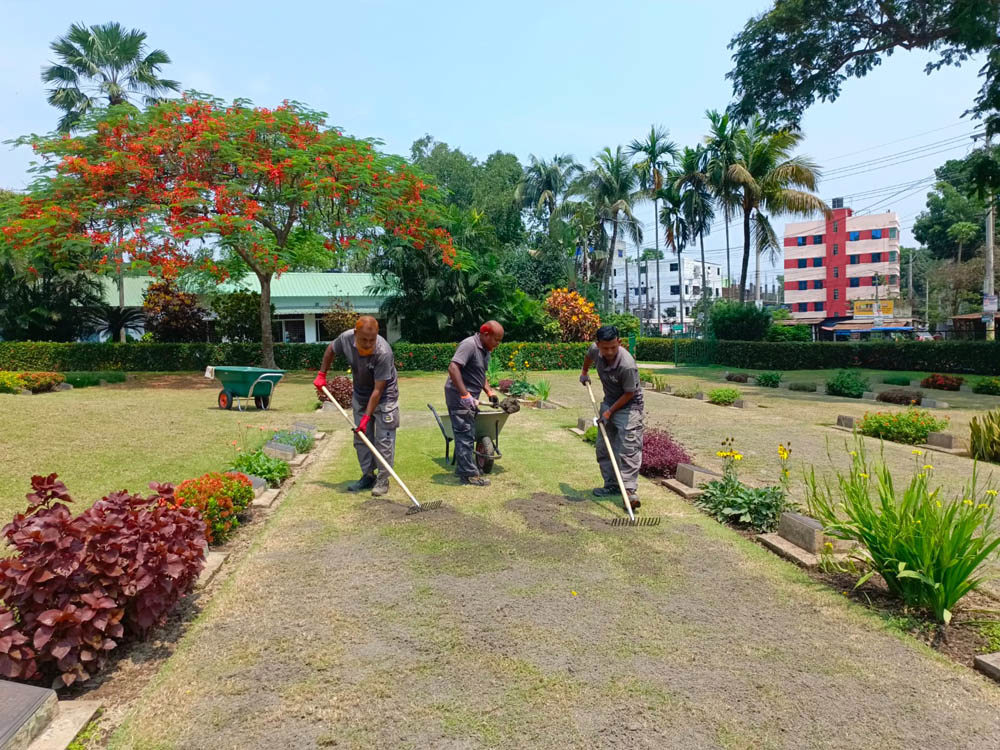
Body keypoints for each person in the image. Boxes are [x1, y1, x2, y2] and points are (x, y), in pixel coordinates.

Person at [313, 316, 399, 497]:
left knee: (383, 441)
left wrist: (367, 417)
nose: (368, 343)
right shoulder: (345, 338)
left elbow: (378, 390)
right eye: (364, 339)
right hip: (360, 394)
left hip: (384, 397)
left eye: (372, 339)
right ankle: (368, 476)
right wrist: (322, 374)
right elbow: (330, 350)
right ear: (355, 333)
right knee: (361, 438)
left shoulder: (383, 352)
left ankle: (383, 480)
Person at [579, 325, 644, 510]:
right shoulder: (595, 349)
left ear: (620, 343)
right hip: (609, 402)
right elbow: (589, 356)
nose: (609, 352)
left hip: (630, 407)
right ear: (598, 344)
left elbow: (629, 393)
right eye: (605, 348)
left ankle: (630, 493)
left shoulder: (627, 364)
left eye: (613, 347)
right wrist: (584, 373)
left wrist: (609, 412)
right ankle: (612, 486)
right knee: (604, 447)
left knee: (628, 449)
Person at [445, 321, 503, 487]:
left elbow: (480, 373)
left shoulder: (485, 350)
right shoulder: (469, 345)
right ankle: (469, 475)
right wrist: (465, 395)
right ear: (485, 334)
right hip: (458, 396)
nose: (498, 344)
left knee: (467, 433)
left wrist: (489, 392)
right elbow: (453, 368)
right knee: (465, 435)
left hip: (470, 397)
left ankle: (463, 468)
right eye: (496, 339)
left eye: (500, 340)